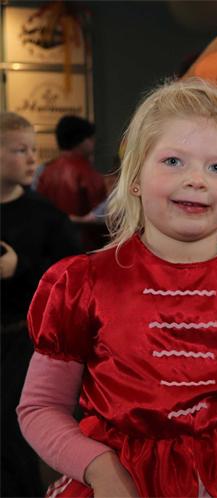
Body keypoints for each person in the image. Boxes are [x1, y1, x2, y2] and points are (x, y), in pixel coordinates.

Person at [17, 79, 217, 497]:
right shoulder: (82, 285)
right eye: (173, 161)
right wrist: (97, 467)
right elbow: (40, 407)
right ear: (135, 177)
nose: (196, 179)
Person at [1, 112, 81, 497]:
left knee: (11, 431)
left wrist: (21, 267)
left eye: (34, 149)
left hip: (23, 339)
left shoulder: (46, 216)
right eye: (21, 150)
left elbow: (70, 277)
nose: (33, 158)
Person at [36, 115, 107, 217]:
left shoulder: (43, 170)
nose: (94, 142)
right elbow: (101, 213)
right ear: (80, 141)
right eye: (90, 138)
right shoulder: (88, 173)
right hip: (81, 227)